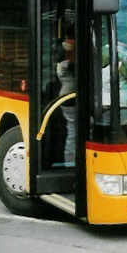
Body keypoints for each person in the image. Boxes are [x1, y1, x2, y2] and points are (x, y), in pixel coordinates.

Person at [56, 37, 77, 165]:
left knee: (72, 131)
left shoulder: (61, 64)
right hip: (70, 99)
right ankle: (70, 161)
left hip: (66, 98)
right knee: (73, 132)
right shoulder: (66, 64)